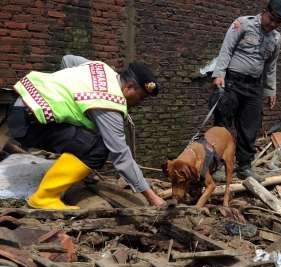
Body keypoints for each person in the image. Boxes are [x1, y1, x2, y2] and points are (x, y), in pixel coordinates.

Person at [7, 54, 165, 209]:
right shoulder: (109, 103)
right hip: (28, 123)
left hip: (21, 102)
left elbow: (67, 59)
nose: (140, 103)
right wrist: (151, 196)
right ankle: (44, 197)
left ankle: (68, 169)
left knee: (86, 137)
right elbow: (120, 154)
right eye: (141, 97)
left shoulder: (101, 68)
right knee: (98, 149)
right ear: (129, 87)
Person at [211, 0, 281, 180]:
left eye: (278, 23)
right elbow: (226, 50)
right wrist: (219, 74)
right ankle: (218, 166)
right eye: (271, 19)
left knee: (249, 127)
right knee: (223, 124)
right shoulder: (243, 23)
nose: (273, 24)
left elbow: (271, 66)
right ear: (264, 12)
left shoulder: (276, 38)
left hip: (254, 86)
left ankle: (244, 167)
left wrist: (271, 90)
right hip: (232, 82)